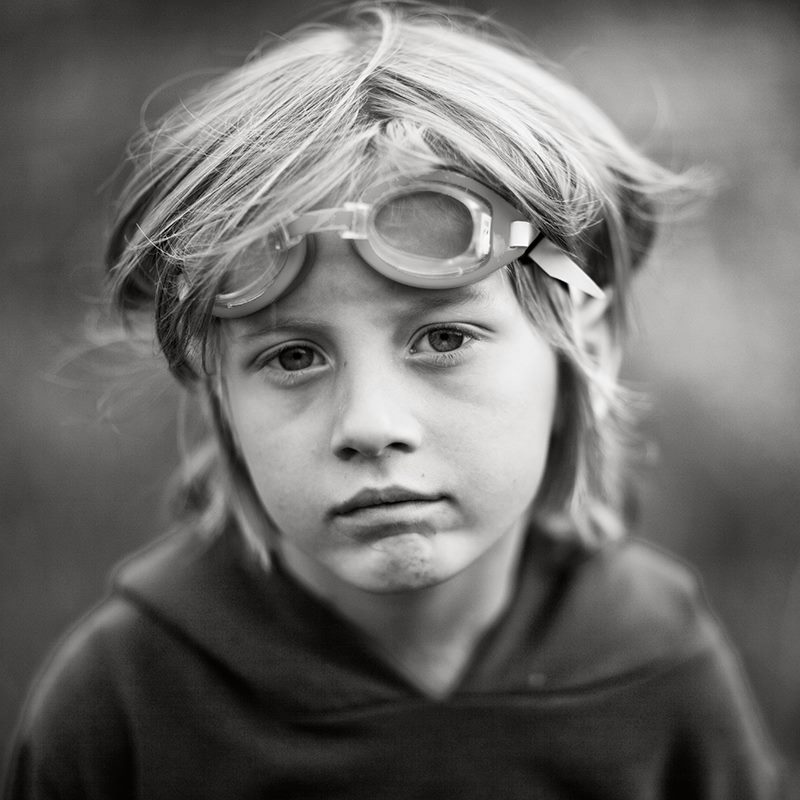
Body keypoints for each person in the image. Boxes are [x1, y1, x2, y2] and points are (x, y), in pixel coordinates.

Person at [2, 2, 784, 797]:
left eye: (443, 339)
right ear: (216, 391)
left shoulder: (656, 662)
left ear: (586, 341)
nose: (370, 425)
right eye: (293, 356)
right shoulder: (124, 702)